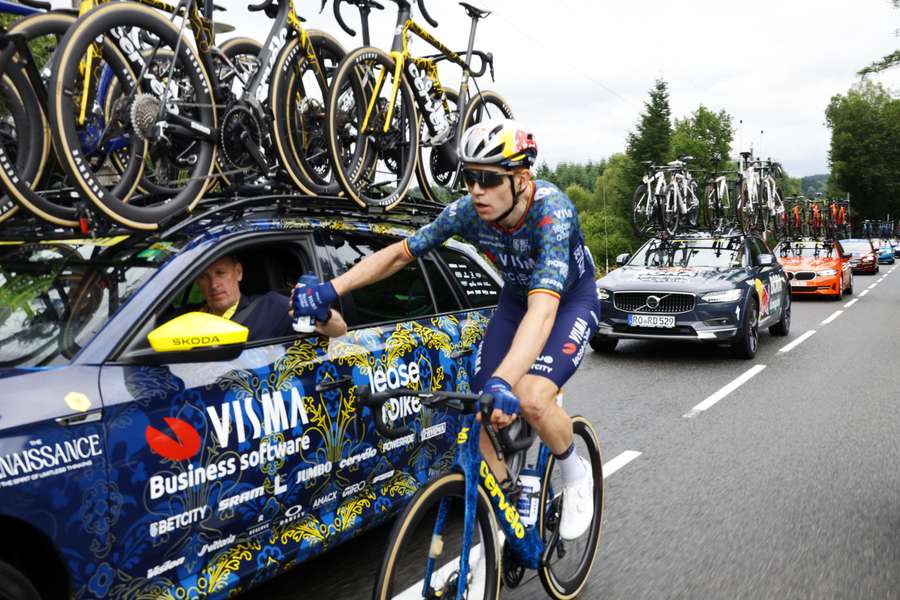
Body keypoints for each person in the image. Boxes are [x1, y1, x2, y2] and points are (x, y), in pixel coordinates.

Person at [292, 119, 600, 540]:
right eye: (468, 176)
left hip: (566, 302)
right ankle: (507, 507)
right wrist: (332, 288)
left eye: (488, 179)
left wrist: (505, 380)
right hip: (515, 300)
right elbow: (400, 254)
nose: (475, 189)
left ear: (522, 179)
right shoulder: (467, 213)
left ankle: (573, 469)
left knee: (529, 398)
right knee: (479, 409)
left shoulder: (552, 212)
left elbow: (543, 313)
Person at [192, 254, 347, 341]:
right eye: (203, 277)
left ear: (238, 272)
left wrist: (324, 315)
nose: (213, 285)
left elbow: (339, 330)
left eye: (220, 273)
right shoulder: (189, 319)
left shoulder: (271, 307)